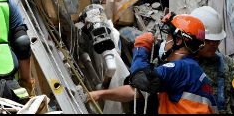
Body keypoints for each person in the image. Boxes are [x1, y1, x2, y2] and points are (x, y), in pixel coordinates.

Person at [88, 13, 217, 113]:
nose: (164, 42)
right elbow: (137, 91)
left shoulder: (178, 68)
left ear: (178, 41)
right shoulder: (196, 72)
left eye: (168, 37)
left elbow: (141, 82)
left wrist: (140, 48)